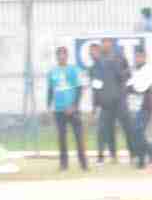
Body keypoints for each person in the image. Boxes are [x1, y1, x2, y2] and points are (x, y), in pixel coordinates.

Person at [46, 44, 89, 172]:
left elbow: (79, 89)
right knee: (61, 138)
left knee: (78, 137)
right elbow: (50, 90)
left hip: (72, 109)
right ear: (56, 57)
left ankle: (84, 164)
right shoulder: (52, 72)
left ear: (67, 56)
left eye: (63, 54)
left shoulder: (73, 70)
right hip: (59, 110)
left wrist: (74, 106)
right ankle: (64, 164)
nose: (61, 57)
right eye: (59, 55)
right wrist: (49, 106)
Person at [91, 38, 129, 164]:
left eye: (95, 51)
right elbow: (96, 88)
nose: (93, 54)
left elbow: (123, 76)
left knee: (121, 128)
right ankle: (101, 156)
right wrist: (95, 106)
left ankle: (124, 154)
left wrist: (121, 95)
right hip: (105, 104)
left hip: (117, 101)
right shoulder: (94, 69)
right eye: (91, 53)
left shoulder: (113, 60)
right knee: (102, 130)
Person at [125, 41, 152, 166]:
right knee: (137, 133)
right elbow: (129, 86)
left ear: (144, 57)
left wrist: (130, 87)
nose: (137, 59)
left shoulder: (148, 69)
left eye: (140, 56)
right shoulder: (137, 70)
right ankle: (145, 158)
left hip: (145, 106)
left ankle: (150, 154)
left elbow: (140, 88)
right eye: (136, 57)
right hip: (136, 107)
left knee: (138, 132)